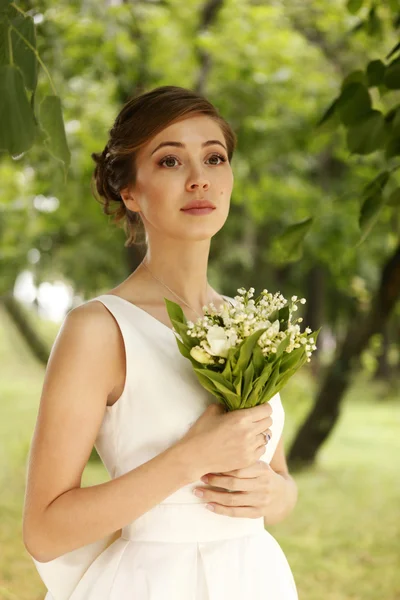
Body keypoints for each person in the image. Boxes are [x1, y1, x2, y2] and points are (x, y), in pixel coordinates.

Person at [22, 85, 299, 599]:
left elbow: (281, 486)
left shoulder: (250, 322)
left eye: (214, 158)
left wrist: (272, 492)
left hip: (254, 577)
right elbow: (43, 531)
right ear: (130, 192)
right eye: (170, 161)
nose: (199, 179)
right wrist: (190, 458)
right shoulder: (100, 329)